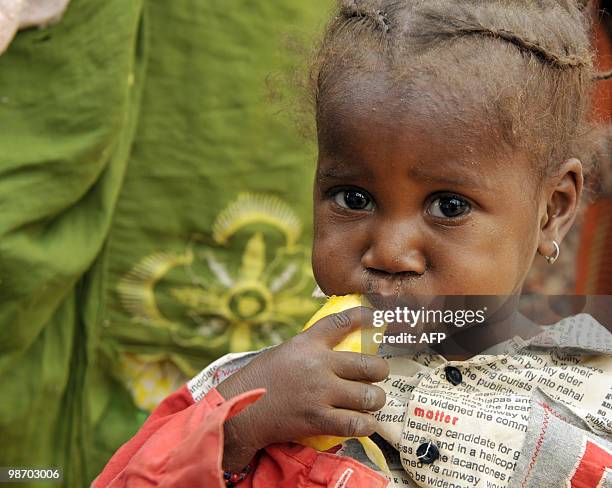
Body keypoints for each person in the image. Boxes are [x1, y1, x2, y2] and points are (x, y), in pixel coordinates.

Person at [92, 1, 612, 487]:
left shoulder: (592, 389)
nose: (388, 252)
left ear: (553, 210)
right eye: (354, 197)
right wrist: (233, 430)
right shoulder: (259, 393)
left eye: (448, 207)